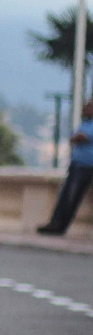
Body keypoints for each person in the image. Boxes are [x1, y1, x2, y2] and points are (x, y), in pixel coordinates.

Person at [38, 98, 93, 235]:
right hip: (76, 164)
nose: (85, 108)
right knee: (65, 194)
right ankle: (56, 224)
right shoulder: (85, 123)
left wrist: (76, 138)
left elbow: (81, 137)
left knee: (72, 196)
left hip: (86, 166)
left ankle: (60, 225)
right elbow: (74, 137)